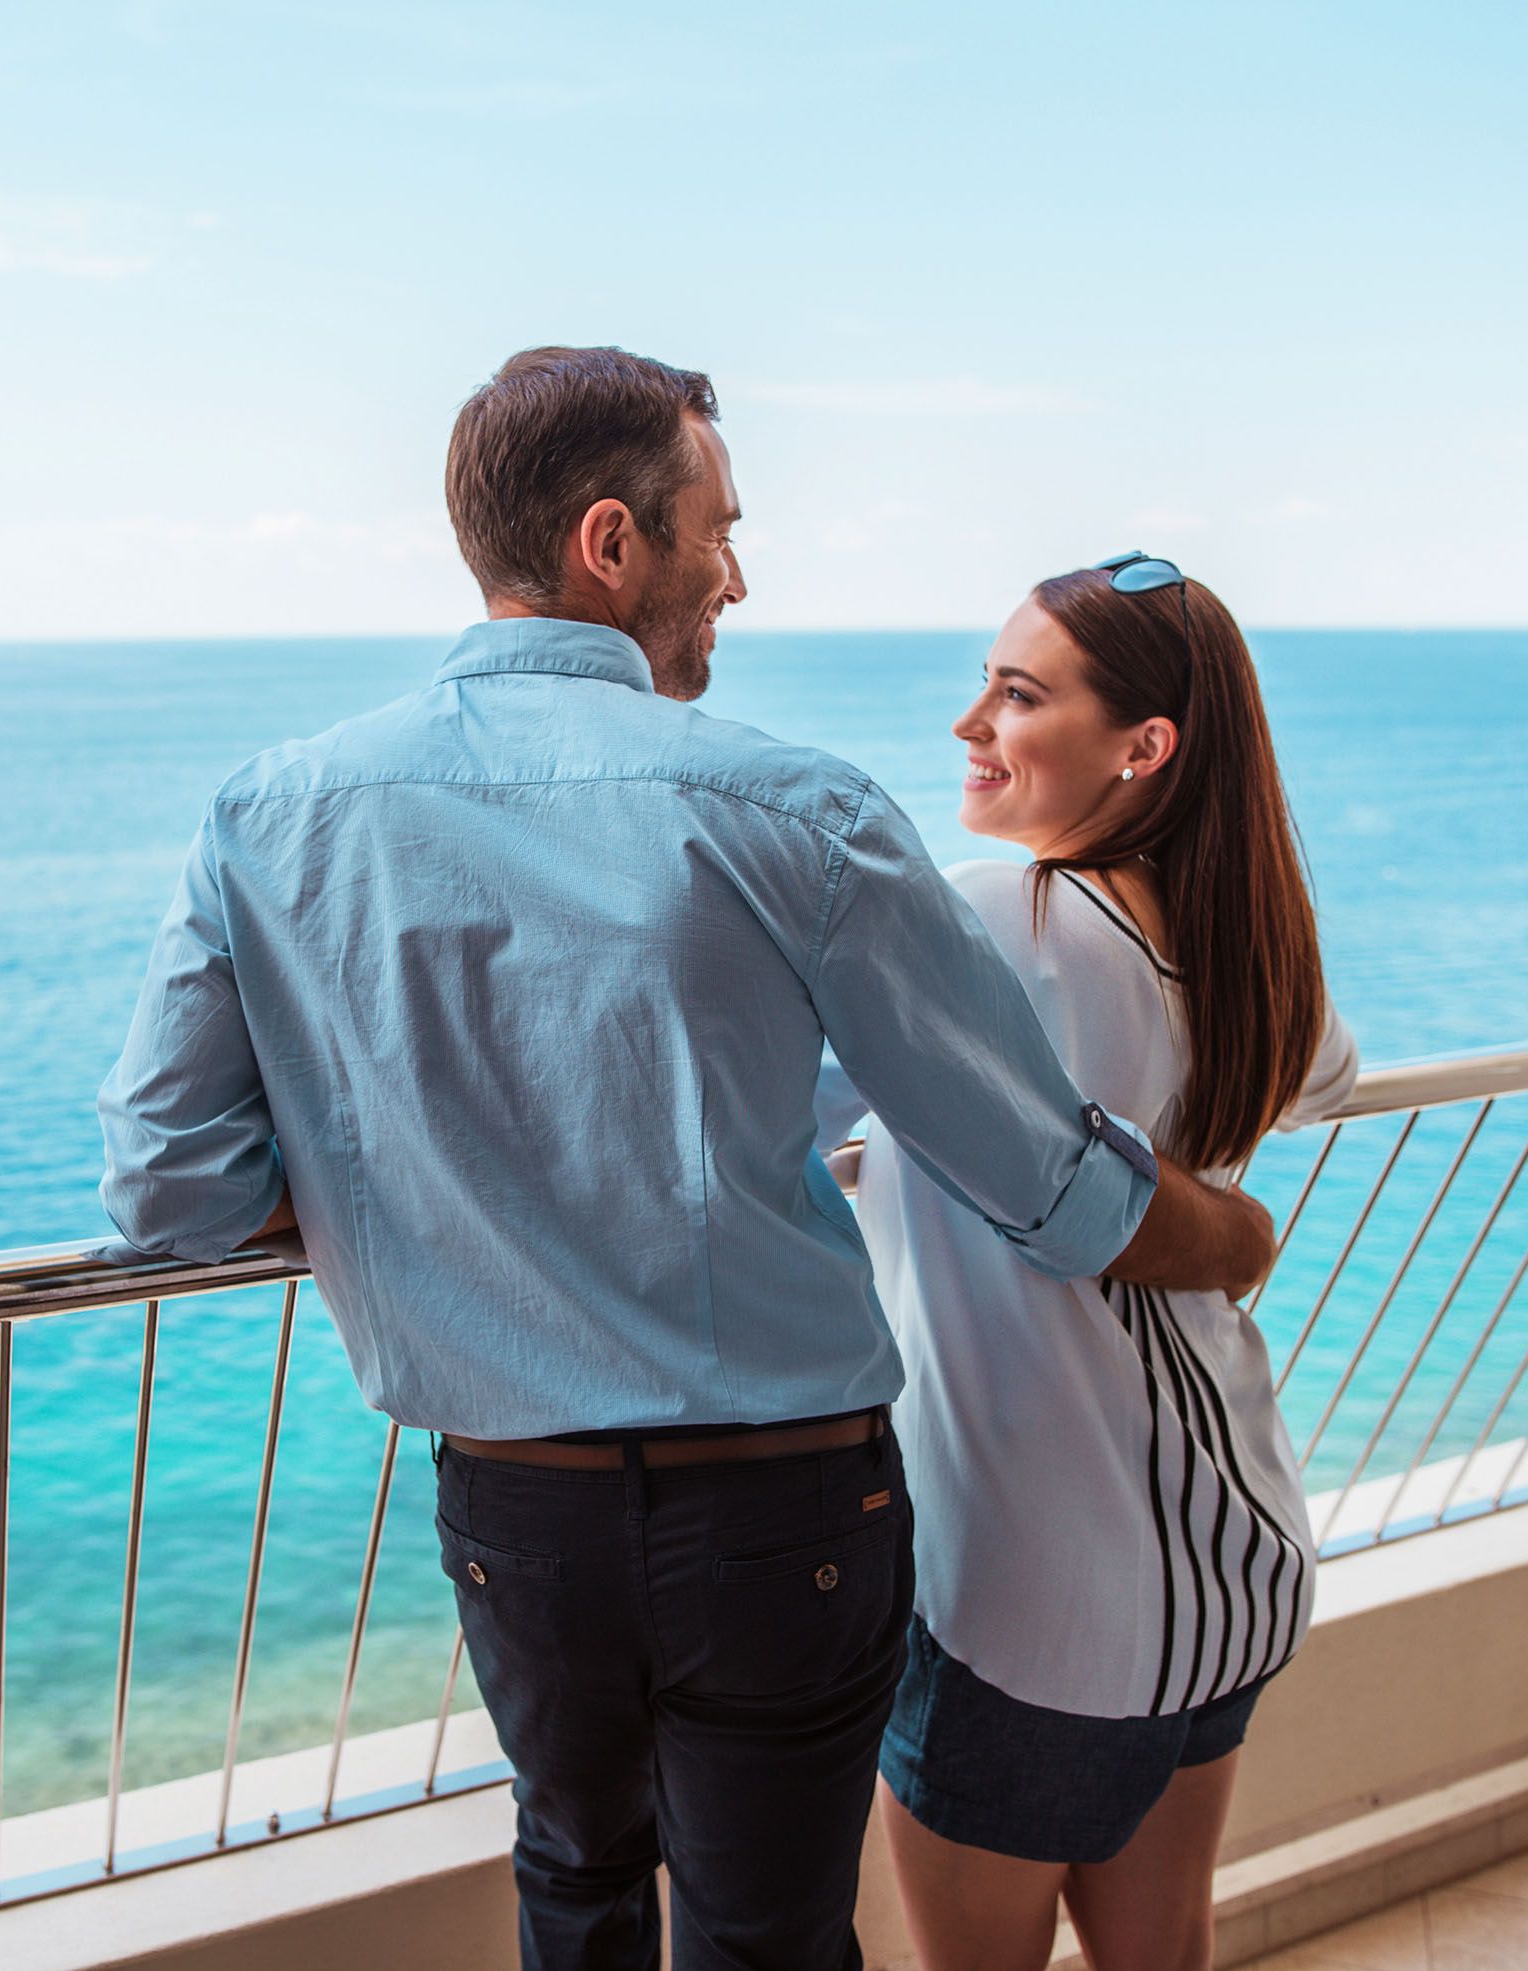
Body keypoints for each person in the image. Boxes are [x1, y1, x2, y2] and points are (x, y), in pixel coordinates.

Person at [97, 351, 1277, 1971]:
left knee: (573, 1886)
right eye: (716, 530)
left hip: (515, 1510)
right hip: (783, 1510)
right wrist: (1226, 1237)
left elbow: (170, 1195)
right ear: (610, 544)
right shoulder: (800, 812)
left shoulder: (270, 813)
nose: (737, 572)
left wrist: (426, 1196)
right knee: (772, 1938)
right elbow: (1051, 1188)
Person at [820, 556, 1357, 1971]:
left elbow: (747, 1112)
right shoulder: (1255, 953)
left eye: (1015, 694)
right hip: (1233, 1557)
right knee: (1158, 1946)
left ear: (1142, 746)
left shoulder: (1001, 920)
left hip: (1030, 1598)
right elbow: (1326, 1079)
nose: (967, 726)